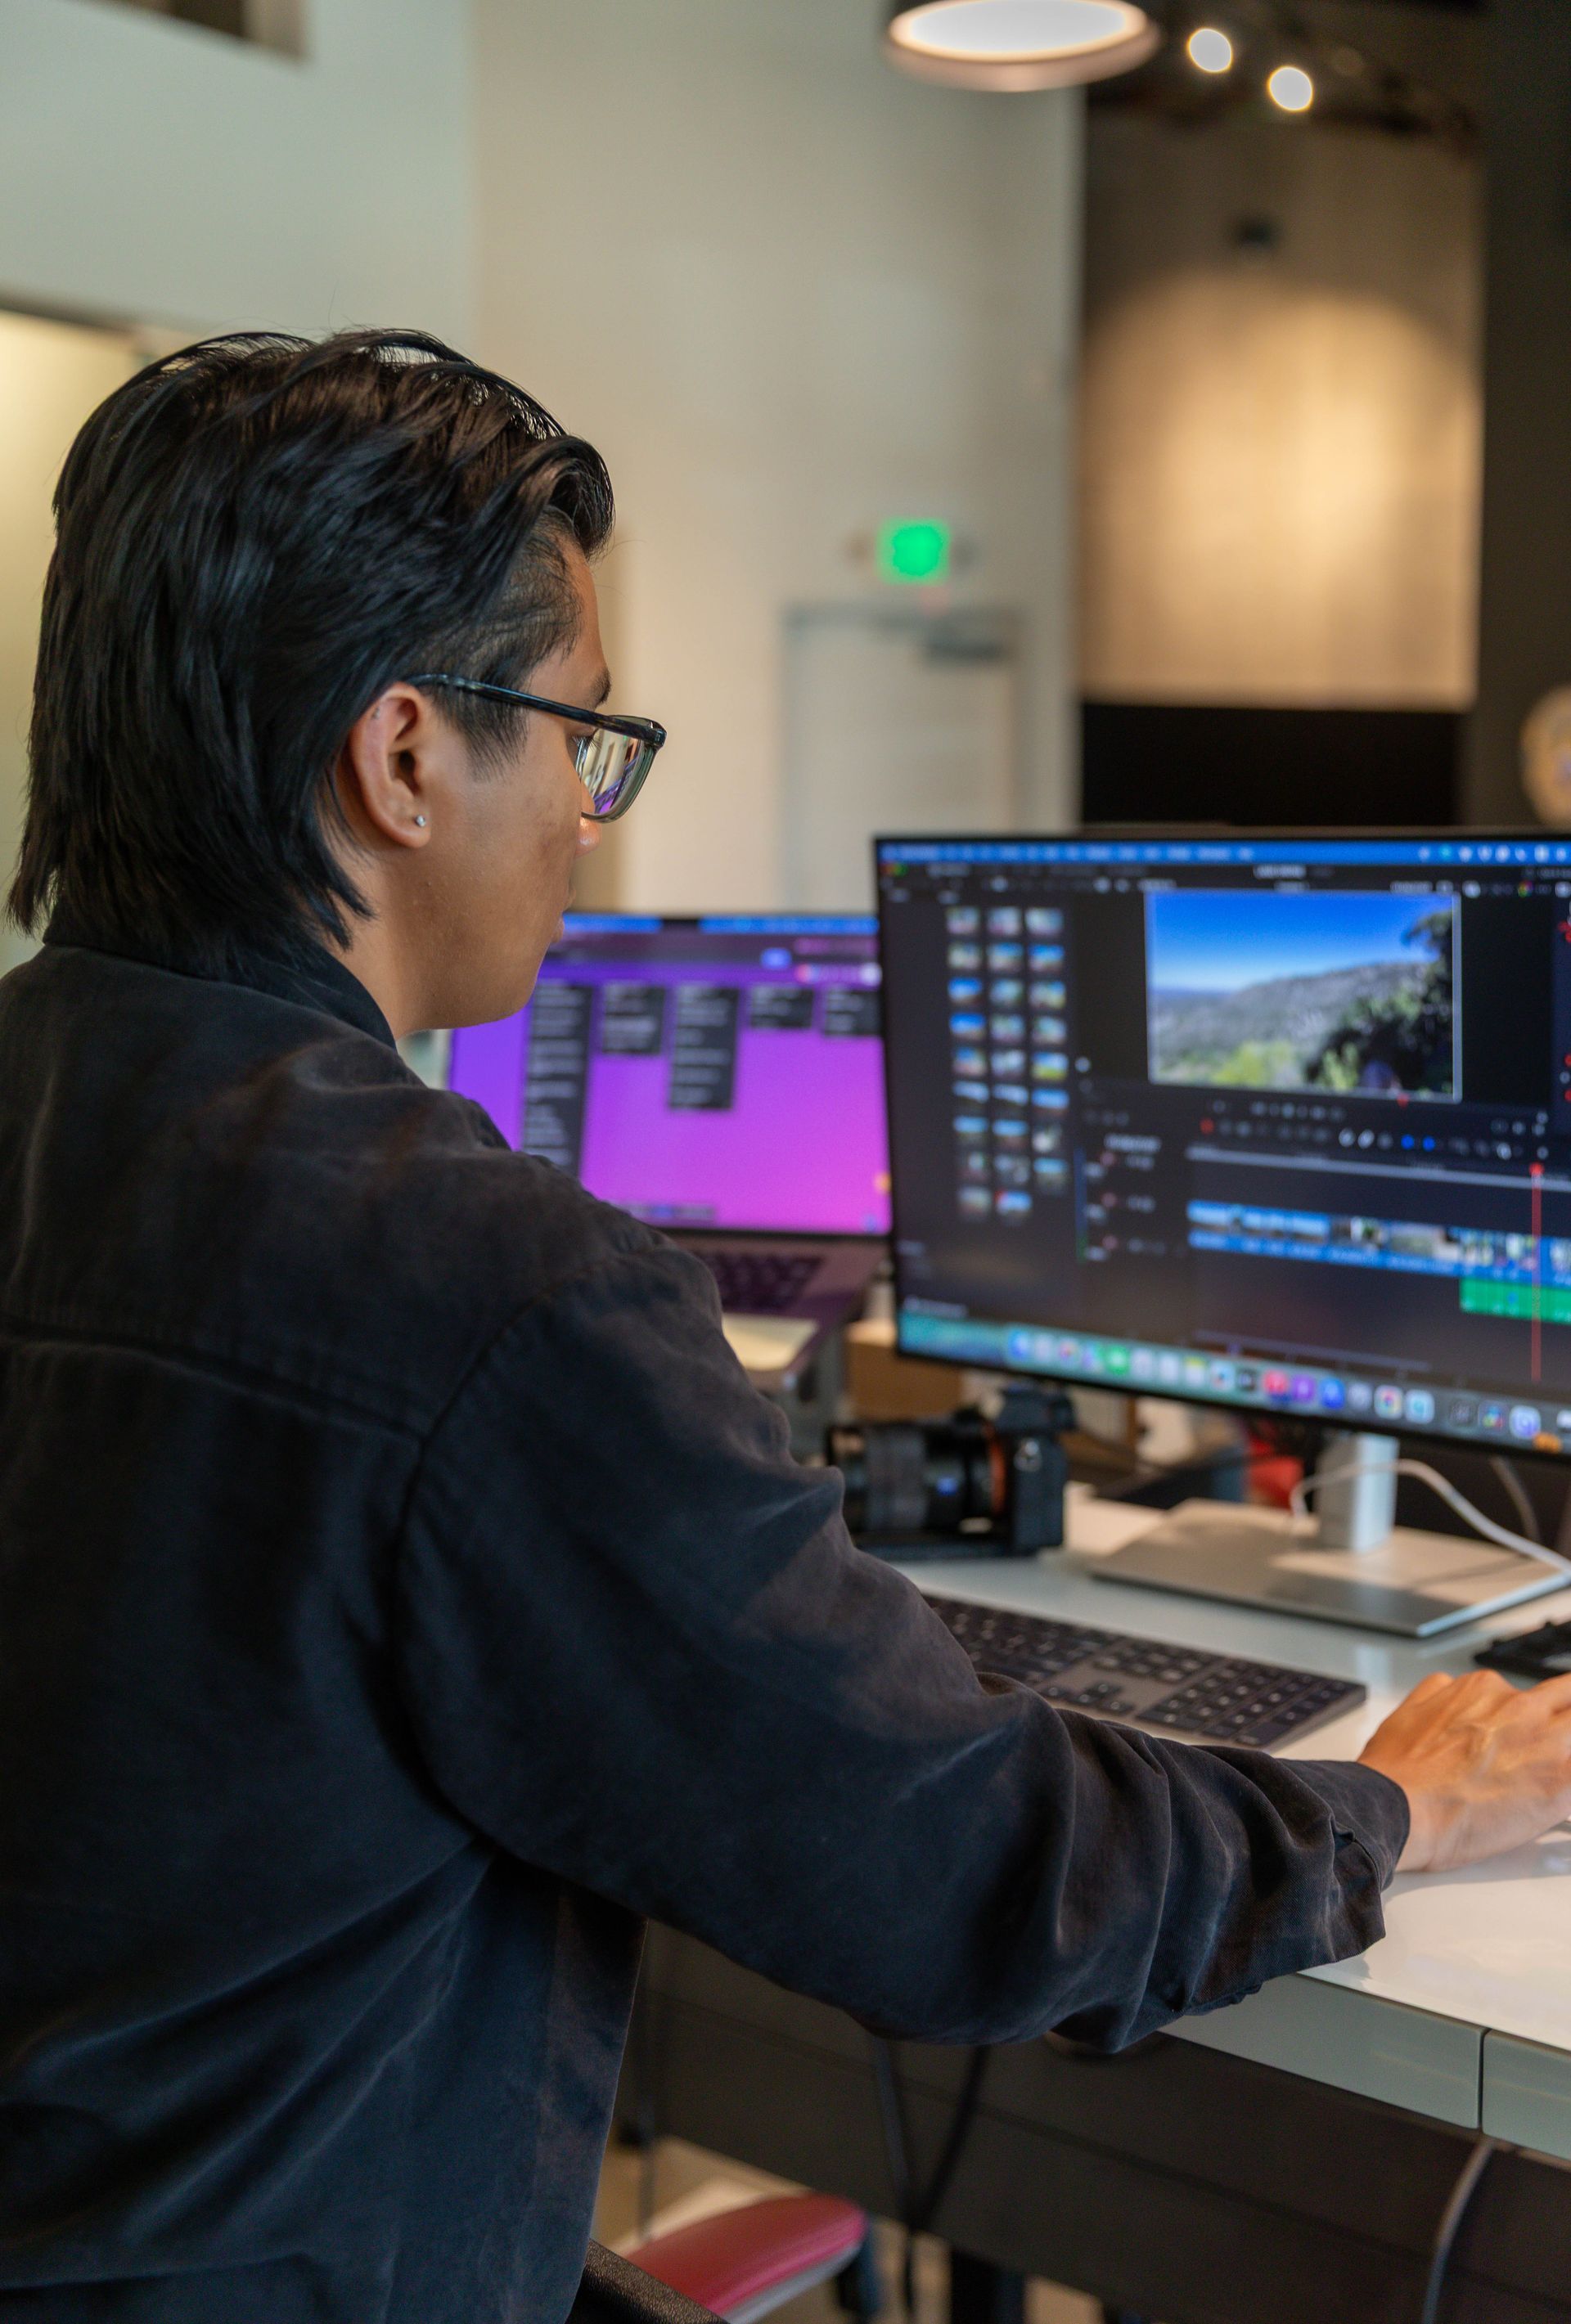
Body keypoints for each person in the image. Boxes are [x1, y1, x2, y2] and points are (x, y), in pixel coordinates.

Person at [1, 330, 1568, 2324]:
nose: (589, 808)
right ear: (401, 759)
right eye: (578, 732)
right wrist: (1415, 1796)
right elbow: (969, 1878)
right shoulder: (491, 1291)